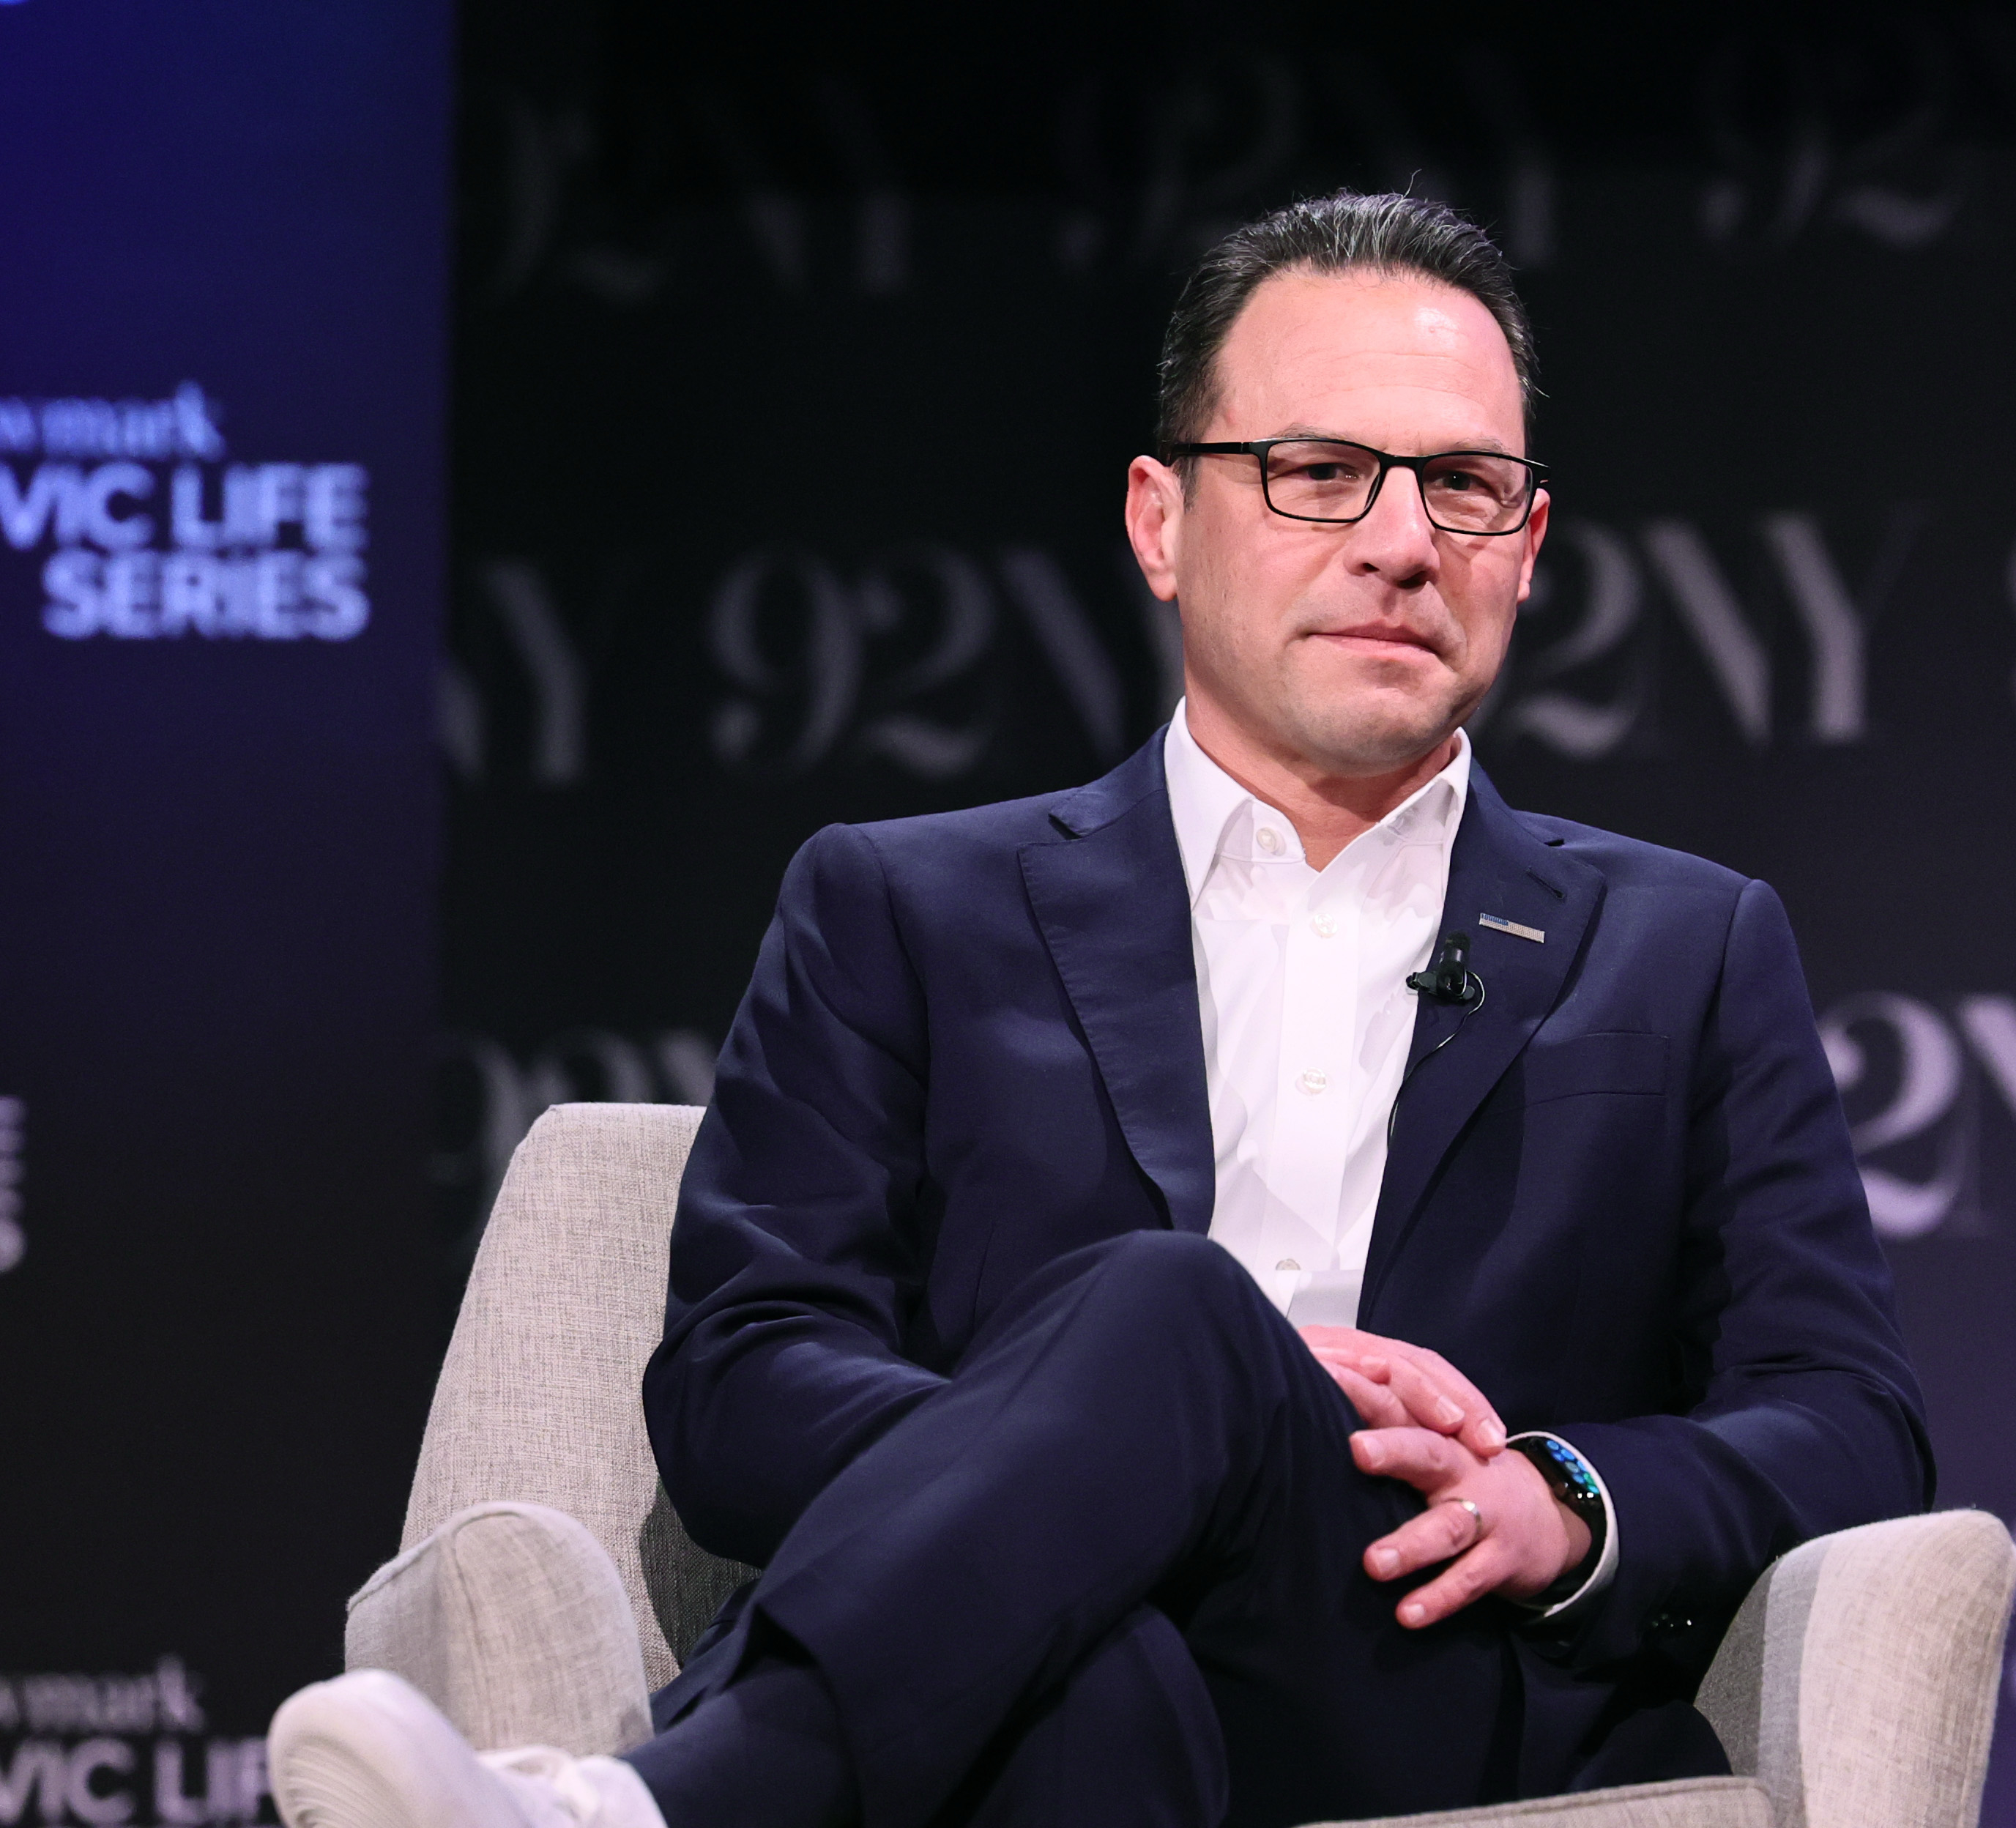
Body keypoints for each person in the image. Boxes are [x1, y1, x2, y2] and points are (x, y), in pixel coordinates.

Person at [268, 190, 1932, 1828]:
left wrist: (1561, 1497)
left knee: (1168, 1319)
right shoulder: (902, 907)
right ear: (1159, 521)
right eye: (1319, 471)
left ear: (1529, 546)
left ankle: (637, 1816)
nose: (1403, 542)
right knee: (1106, 1607)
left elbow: (1849, 1416)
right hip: (1036, 1680)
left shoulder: (1685, 945)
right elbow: (741, 1378)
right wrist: (1111, 1459)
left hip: (1418, 1675)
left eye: (1465, 486)